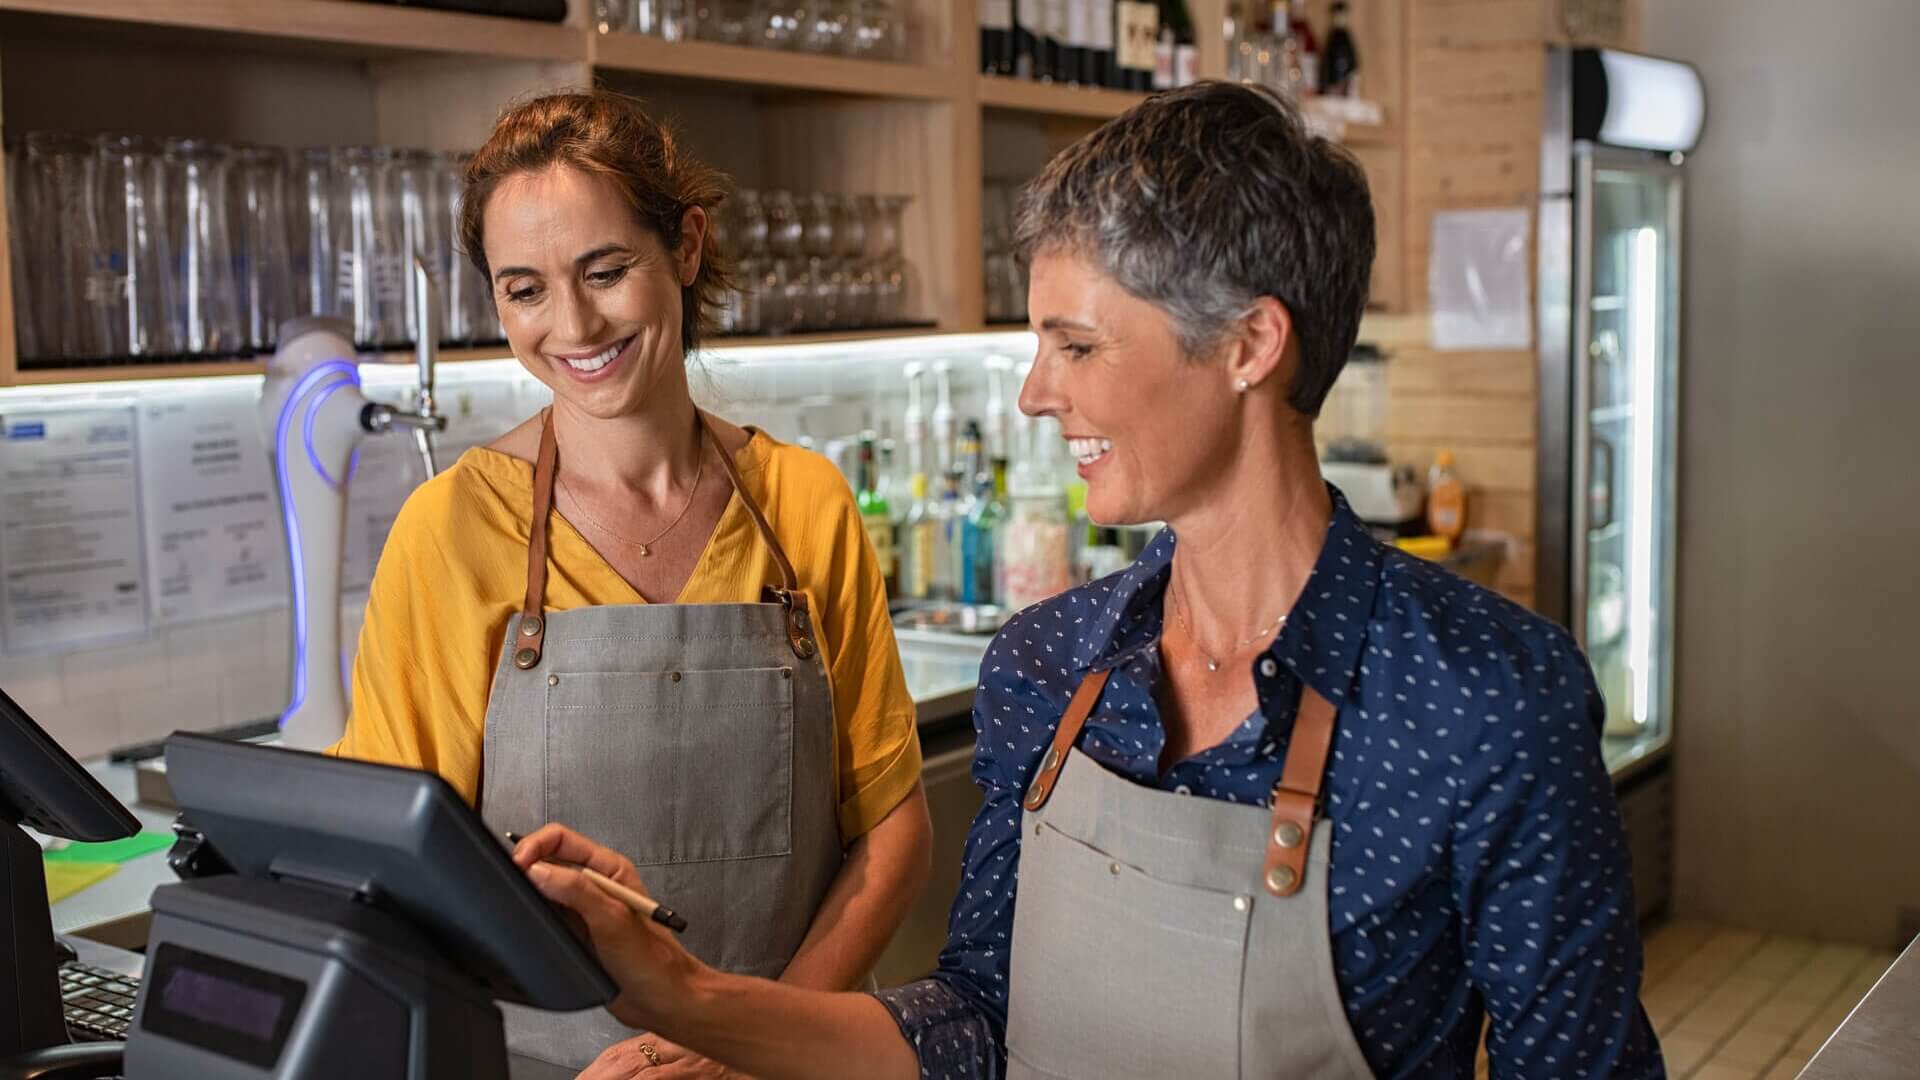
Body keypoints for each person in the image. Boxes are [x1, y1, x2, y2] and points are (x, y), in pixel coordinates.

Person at [507, 80, 1666, 1078]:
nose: (1034, 395)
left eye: (1077, 345)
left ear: (1250, 345)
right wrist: (687, 999)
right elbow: (978, 1025)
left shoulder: (1488, 704)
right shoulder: (1048, 669)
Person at [329, 91, 933, 1080]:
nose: (573, 325)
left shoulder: (805, 505)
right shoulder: (450, 534)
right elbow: (395, 880)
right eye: (524, 290)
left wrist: (748, 1045)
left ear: (686, 248)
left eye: (604, 272)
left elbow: (892, 836)